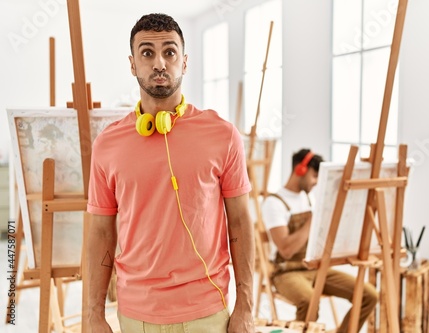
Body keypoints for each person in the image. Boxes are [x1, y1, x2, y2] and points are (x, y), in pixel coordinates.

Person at [85, 13, 255, 333]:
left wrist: (245, 306)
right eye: (147, 52)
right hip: (137, 314)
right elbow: (99, 233)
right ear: (133, 64)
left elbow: (242, 223)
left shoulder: (223, 134)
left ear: (184, 62)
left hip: (208, 311)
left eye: (170, 52)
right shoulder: (107, 143)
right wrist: (92, 314)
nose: (159, 62)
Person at [261, 149, 378, 333]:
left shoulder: (308, 198)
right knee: (309, 301)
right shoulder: (274, 203)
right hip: (287, 272)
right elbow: (286, 249)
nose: (316, 182)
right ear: (300, 170)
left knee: (369, 295)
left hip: (314, 267)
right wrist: (314, 218)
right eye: (314, 176)